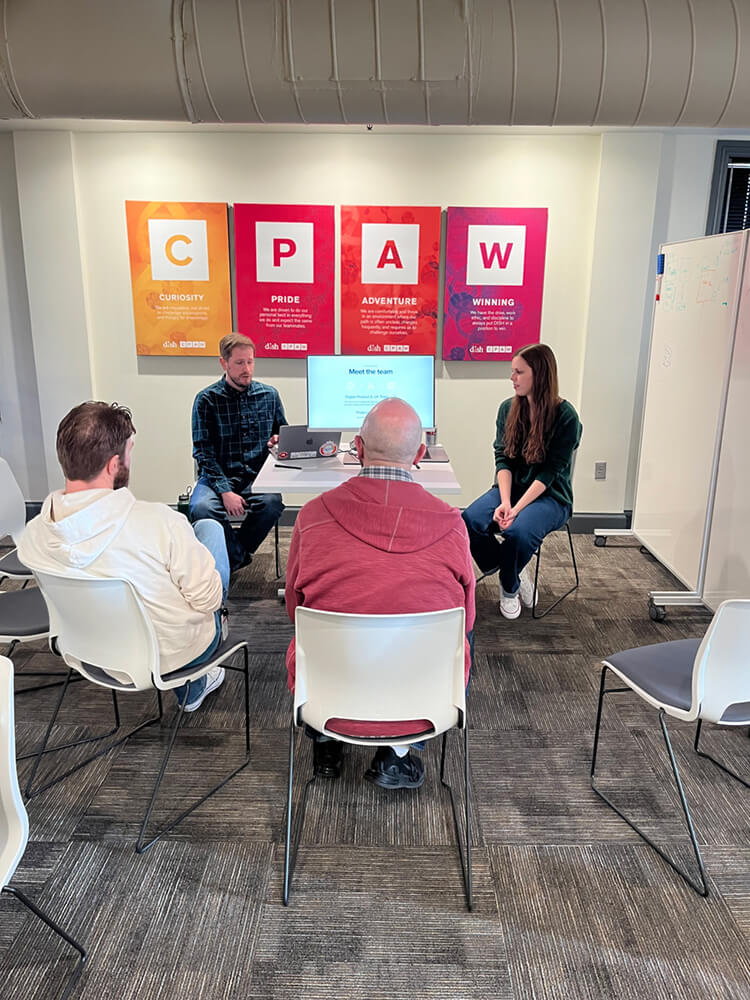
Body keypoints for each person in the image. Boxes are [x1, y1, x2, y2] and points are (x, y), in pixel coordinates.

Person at [285, 397, 475, 790]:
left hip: (324, 697)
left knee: (312, 626)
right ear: (421, 454)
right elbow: (467, 619)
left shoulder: (311, 517)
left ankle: (325, 737)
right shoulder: (454, 526)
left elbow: (294, 607)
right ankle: (398, 754)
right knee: (461, 631)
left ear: (357, 448)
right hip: (424, 704)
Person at [18, 402, 230, 712]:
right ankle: (193, 684)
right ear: (112, 465)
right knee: (209, 532)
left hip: (86, 649)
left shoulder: (34, 535)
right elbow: (208, 600)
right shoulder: (159, 522)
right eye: (129, 451)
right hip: (170, 655)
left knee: (200, 534)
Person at [462, 343, 581, 619]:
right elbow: (503, 460)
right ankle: (511, 565)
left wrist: (515, 511)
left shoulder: (566, 417)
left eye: (519, 372)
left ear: (539, 375)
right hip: (510, 490)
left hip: (551, 496)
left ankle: (509, 584)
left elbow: (549, 474)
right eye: (512, 371)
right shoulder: (508, 409)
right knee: (468, 520)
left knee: (518, 533)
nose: (512, 378)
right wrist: (505, 502)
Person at [189, 332, 287, 572]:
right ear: (224, 363)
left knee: (272, 504)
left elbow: (283, 435)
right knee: (201, 508)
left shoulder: (269, 395)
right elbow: (203, 453)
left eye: (251, 362)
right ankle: (238, 556)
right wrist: (225, 492)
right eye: (240, 363)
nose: (247, 369)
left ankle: (233, 557)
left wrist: (278, 441)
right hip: (216, 477)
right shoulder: (206, 400)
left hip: (256, 477)